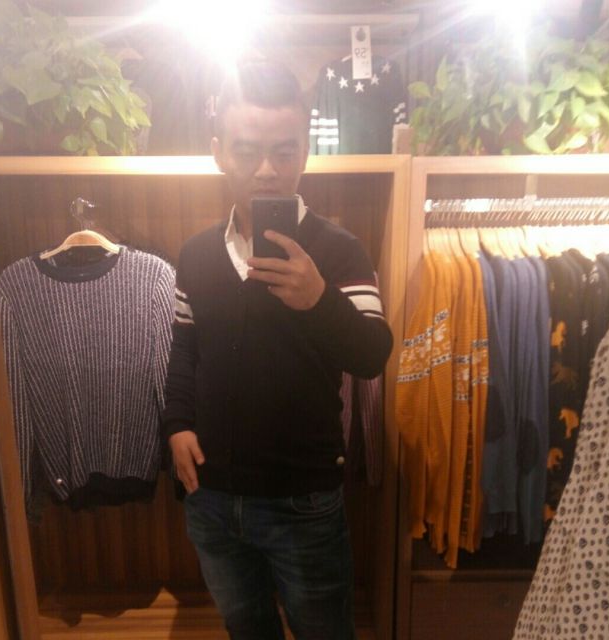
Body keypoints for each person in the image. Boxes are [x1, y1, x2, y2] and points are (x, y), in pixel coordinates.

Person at [162, 58, 393, 640]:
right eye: (247, 151)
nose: (266, 170)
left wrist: (319, 299)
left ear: (305, 154)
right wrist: (178, 424)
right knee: (246, 629)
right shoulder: (195, 254)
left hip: (303, 502)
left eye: (283, 152)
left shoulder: (338, 251)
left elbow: (372, 354)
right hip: (211, 497)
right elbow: (184, 349)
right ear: (219, 152)